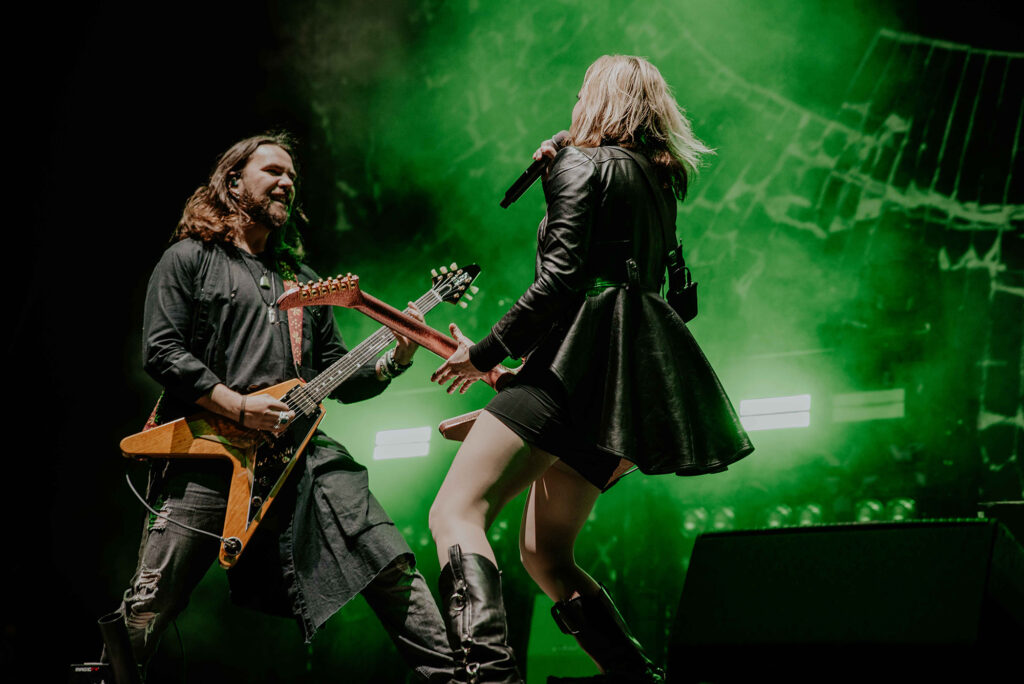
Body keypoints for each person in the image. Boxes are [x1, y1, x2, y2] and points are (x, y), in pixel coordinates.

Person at [428, 55, 754, 683]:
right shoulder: (660, 185)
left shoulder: (579, 165)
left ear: (595, 100)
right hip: (629, 382)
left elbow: (561, 281)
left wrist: (486, 353)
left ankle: (486, 679)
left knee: (456, 512)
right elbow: (645, 292)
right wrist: (515, 378)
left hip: (582, 364)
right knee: (545, 554)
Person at [106, 132, 456, 682]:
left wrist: (396, 359)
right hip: (208, 454)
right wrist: (237, 406)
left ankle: (458, 678)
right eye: (271, 170)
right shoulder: (190, 258)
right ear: (232, 182)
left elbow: (338, 374)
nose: (286, 182)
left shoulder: (303, 285)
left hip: (301, 456)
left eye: (291, 175)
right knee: (150, 604)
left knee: (388, 558)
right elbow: (162, 349)